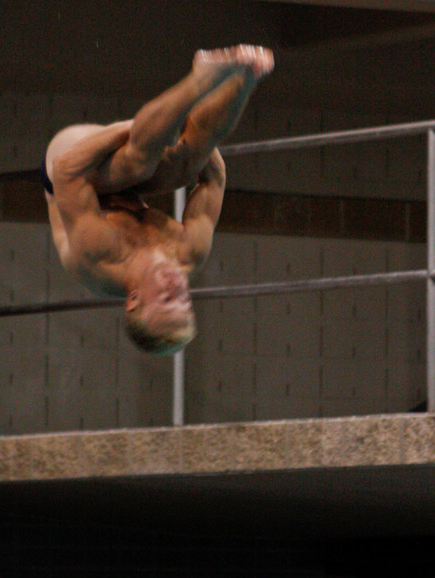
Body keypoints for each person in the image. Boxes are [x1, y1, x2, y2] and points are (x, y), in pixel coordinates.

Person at [43, 45, 274, 355]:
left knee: (138, 162)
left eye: (166, 300)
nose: (178, 288)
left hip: (69, 163)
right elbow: (215, 178)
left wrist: (129, 129)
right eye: (185, 300)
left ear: (134, 300)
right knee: (186, 161)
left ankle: (200, 79)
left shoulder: (100, 254)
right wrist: (191, 144)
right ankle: (247, 76)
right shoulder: (189, 252)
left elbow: (67, 172)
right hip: (128, 183)